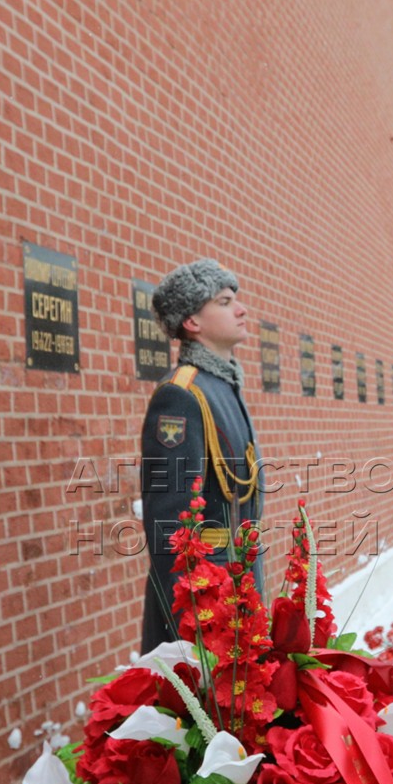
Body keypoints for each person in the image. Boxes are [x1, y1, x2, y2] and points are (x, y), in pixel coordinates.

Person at [138, 259, 263, 652]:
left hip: (237, 584)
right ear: (192, 321)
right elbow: (169, 522)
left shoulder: (221, 387)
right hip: (204, 603)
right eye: (225, 302)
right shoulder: (182, 394)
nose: (240, 309)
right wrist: (191, 628)